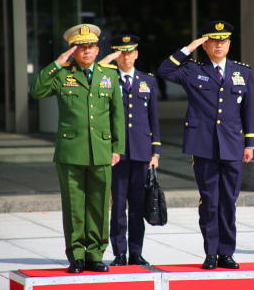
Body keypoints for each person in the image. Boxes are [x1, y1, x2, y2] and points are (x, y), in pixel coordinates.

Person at [157, 21, 254, 270]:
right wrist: (189, 48)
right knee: (210, 200)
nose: (219, 44)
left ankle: (227, 253)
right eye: (214, 40)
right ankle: (211, 252)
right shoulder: (193, 70)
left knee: (228, 202)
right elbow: (164, 70)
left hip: (233, 144)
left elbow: (249, 109)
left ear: (230, 43)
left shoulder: (242, 72)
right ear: (206, 43)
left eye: (224, 40)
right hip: (204, 145)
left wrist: (250, 143)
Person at [29, 24, 125, 273]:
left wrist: (117, 147)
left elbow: (117, 115)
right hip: (71, 151)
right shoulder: (62, 74)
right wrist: (57, 63)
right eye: (81, 48)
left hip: (102, 150)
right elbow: (37, 90)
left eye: (91, 47)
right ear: (73, 50)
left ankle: (96, 253)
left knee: (99, 204)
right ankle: (77, 255)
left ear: (97, 49)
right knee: (74, 205)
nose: (86, 52)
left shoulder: (109, 75)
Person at [100, 35, 161, 266]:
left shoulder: (148, 81)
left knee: (137, 206)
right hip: (117, 153)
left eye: (130, 52)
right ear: (116, 55)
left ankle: (136, 252)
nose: (126, 57)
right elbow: (95, 71)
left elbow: (153, 118)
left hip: (142, 152)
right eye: (121, 53)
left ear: (136, 54)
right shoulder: (106, 79)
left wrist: (155, 152)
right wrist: (107, 60)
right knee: (118, 208)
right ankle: (120, 253)